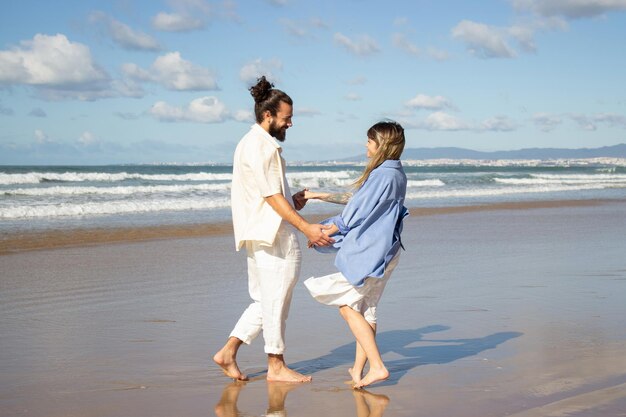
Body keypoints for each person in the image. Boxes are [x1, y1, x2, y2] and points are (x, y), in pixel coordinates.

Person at [213, 76, 334, 383]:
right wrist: (306, 226)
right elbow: (270, 196)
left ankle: (228, 352)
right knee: (277, 298)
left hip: (259, 231)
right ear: (268, 115)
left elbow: (267, 194)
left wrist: (294, 203)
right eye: (287, 118)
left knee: (265, 299)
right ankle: (276, 365)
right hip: (273, 234)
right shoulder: (261, 147)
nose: (290, 124)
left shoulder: (250, 143)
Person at [304, 120, 408, 388]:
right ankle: (359, 371)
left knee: (347, 306)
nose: (365, 144)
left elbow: (353, 213)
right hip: (388, 252)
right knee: (367, 311)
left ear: (381, 144)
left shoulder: (381, 175)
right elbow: (357, 200)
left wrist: (326, 231)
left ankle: (377, 367)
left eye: (369, 140)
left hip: (373, 255)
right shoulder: (395, 173)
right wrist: (316, 195)